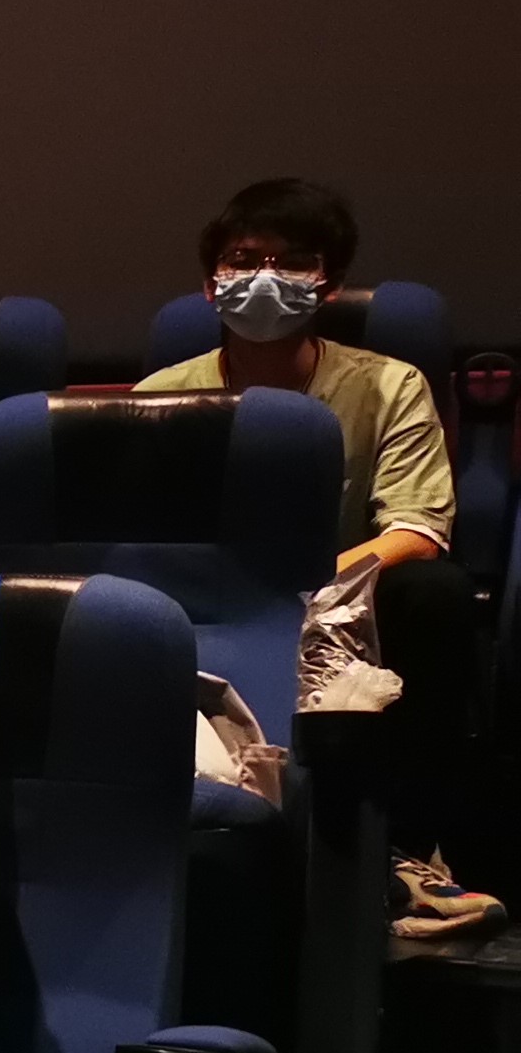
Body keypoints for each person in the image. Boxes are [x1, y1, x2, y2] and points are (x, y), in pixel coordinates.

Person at [135, 178, 493, 929]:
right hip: (201, 602)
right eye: (243, 259)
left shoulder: (388, 385)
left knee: (435, 592)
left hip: (344, 604)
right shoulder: (161, 394)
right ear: (210, 283)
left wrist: (307, 587)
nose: (264, 277)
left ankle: (404, 848)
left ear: (327, 283)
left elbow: (418, 527)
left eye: (291, 261)